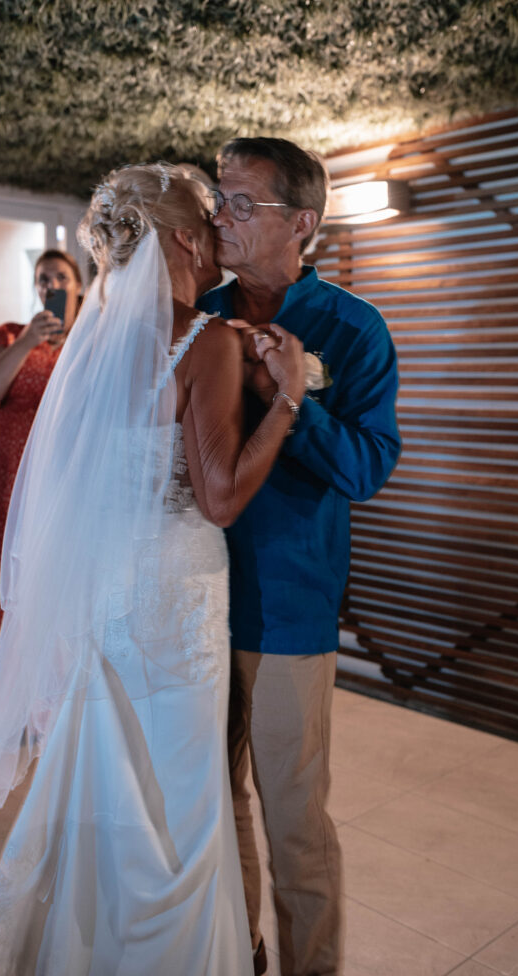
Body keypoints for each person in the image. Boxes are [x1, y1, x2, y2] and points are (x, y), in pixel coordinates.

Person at [0, 163, 306, 974]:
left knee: (108, 796)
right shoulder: (202, 339)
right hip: (176, 602)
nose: (219, 235)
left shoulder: (89, 348)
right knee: (183, 808)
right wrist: (285, 399)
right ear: (182, 239)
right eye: (210, 221)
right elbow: (218, 497)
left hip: (107, 601)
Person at [198, 137, 401, 976]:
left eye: (243, 203)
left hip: (288, 606)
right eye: (220, 199)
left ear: (302, 222)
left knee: (294, 822)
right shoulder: (196, 314)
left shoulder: (351, 329)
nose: (222, 217)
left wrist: (292, 398)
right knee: (214, 810)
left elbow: (365, 467)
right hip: (194, 599)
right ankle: (238, 955)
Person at [0, 250, 83, 708]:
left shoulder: (93, 340)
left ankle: (50, 701)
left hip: (62, 473)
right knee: (3, 577)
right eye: (42, 278)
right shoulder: (8, 335)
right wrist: (28, 339)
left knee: (54, 577)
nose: (50, 285)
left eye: (60, 277)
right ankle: (1, 705)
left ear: (78, 285)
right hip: (8, 472)